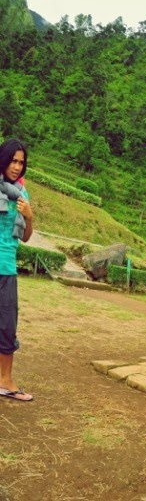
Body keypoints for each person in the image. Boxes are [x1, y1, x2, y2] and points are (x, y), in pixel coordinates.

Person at [0, 138, 33, 401]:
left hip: (8, 267)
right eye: (13, 160)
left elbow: (26, 238)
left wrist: (29, 216)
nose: (17, 166)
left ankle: (5, 381)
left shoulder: (23, 196)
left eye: (21, 162)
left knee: (7, 326)